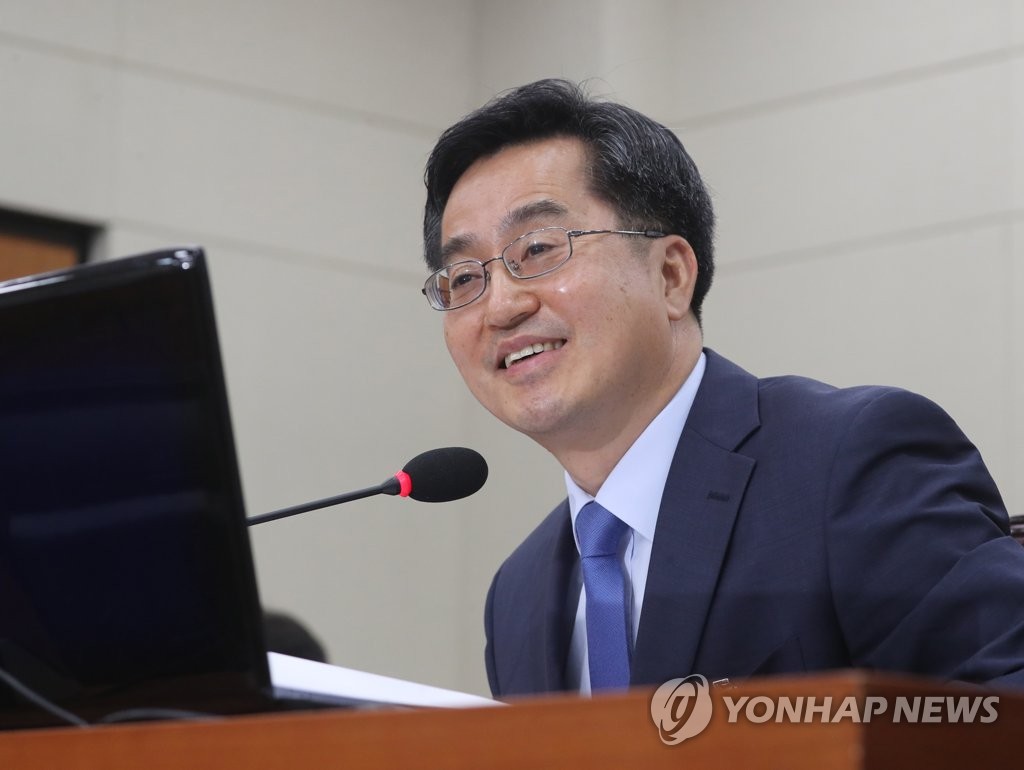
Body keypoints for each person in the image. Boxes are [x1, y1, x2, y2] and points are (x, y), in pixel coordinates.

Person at [420, 79, 1024, 698]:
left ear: (671, 276)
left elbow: (1000, 709)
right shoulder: (517, 595)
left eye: (539, 248)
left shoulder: (851, 463)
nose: (501, 306)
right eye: (463, 278)